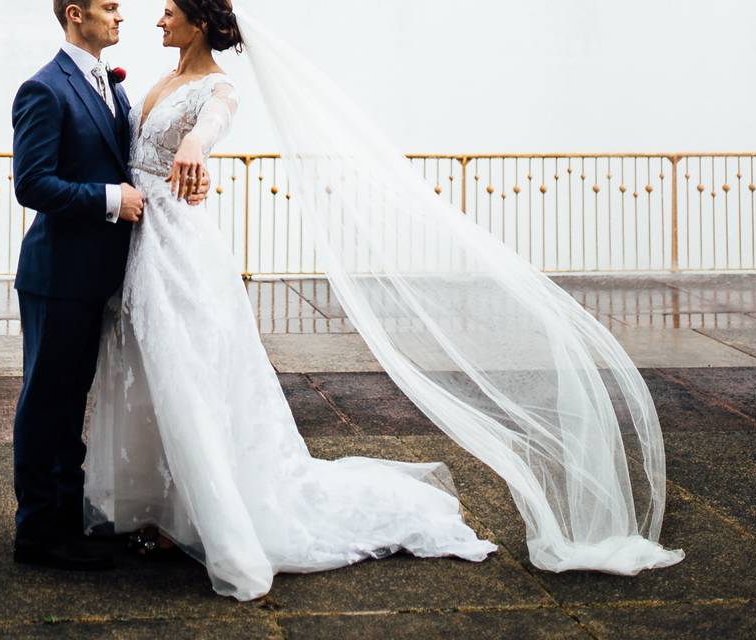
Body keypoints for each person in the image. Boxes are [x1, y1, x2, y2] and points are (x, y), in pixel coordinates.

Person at [83, 0, 499, 601]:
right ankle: (160, 505)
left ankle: (206, 516)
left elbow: (211, 124)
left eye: (169, 11)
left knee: (189, 373)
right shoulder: (162, 80)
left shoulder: (217, 88)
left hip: (180, 248)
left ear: (198, 23)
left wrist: (197, 147)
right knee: (145, 370)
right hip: (141, 241)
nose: (158, 20)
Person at [10, 0, 209, 571]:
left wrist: (182, 179)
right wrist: (109, 200)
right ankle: (38, 535)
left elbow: (131, 160)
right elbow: (32, 183)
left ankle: (66, 519)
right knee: (47, 406)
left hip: (100, 275)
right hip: (57, 276)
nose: (121, 17)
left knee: (74, 403)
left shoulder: (110, 85)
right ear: (76, 14)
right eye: (109, 7)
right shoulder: (44, 88)